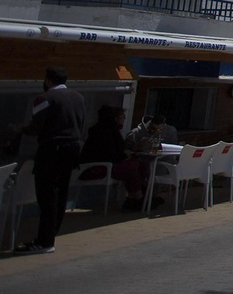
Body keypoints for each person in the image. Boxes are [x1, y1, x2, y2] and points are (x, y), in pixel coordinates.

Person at [15, 67, 87, 255]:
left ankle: (45, 241)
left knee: (47, 195)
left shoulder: (44, 99)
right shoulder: (79, 98)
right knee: (61, 192)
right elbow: (80, 123)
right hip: (73, 148)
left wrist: (21, 129)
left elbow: (36, 126)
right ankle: (52, 234)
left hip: (52, 150)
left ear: (47, 81)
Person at [78, 105, 147, 210]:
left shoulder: (112, 131)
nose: (124, 119)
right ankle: (138, 198)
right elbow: (109, 154)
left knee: (139, 165)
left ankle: (132, 198)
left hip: (108, 163)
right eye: (122, 117)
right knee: (131, 170)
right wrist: (125, 154)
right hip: (96, 167)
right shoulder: (104, 132)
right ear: (116, 118)